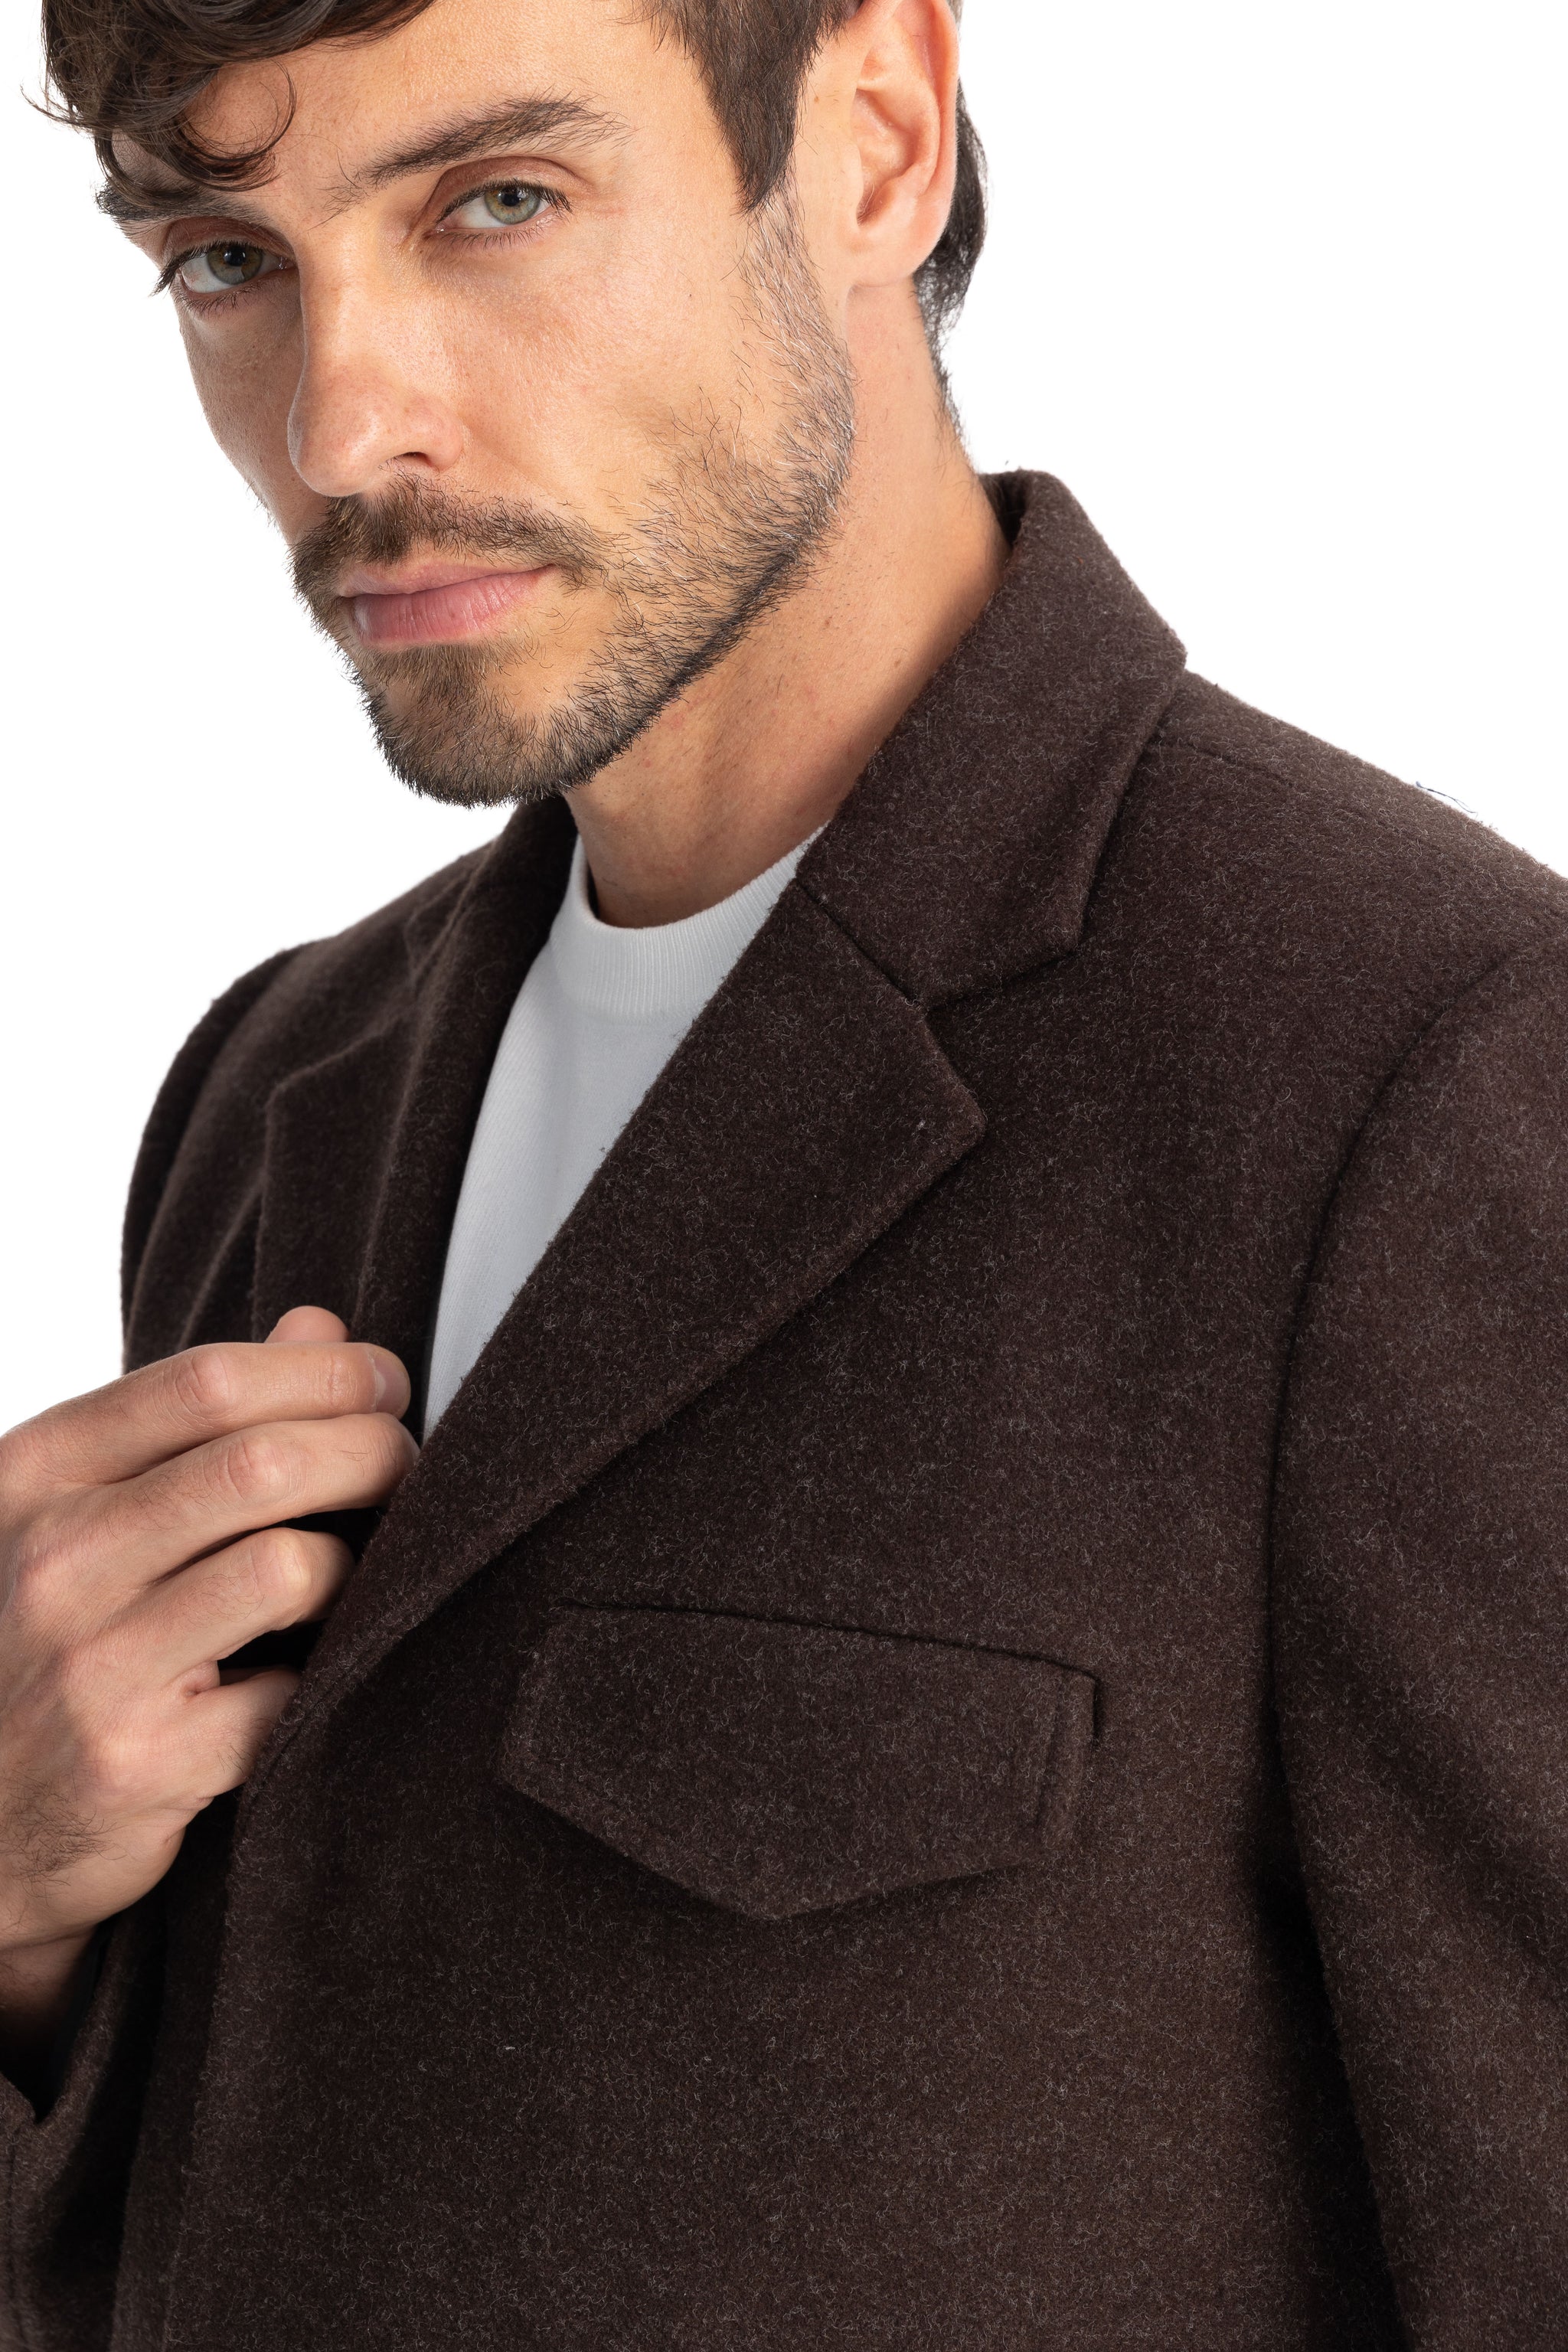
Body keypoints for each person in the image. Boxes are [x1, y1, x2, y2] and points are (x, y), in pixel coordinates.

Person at [2, 0, 1563, 2342]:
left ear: (876, 138)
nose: (342, 425)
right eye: (228, 257)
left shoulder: (1427, 1081)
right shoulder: (274, 1097)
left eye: (495, 202)